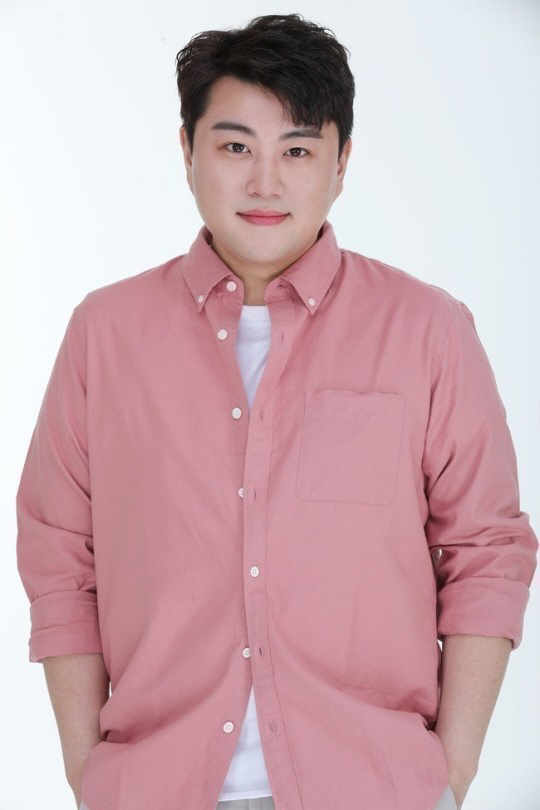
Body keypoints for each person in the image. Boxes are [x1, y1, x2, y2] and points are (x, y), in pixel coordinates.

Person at [15, 13, 537, 810]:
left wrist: (451, 771)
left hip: (372, 790)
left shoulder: (427, 329)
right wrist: (90, 771)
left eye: (297, 151)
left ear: (341, 162)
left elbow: (487, 548)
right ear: (187, 152)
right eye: (235, 148)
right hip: (156, 789)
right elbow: (58, 554)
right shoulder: (105, 333)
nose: (265, 183)